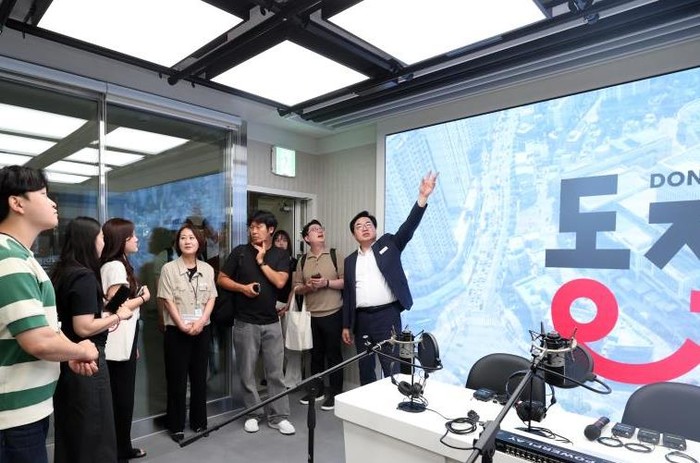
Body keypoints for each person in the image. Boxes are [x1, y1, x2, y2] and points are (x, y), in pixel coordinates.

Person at [0, 165, 98, 463]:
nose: (53, 203)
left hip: (24, 409)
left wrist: (66, 354)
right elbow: (39, 341)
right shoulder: (9, 258)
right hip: (14, 417)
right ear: (17, 203)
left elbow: (41, 331)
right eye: (43, 194)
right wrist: (81, 349)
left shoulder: (20, 256)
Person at [342, 171, 438, 385]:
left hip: (387, 316)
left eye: (368, 224)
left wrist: (422, 198)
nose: (364, 228)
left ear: (375, 230)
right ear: (354, 234)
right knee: (365, 368)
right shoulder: (349, 261)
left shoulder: (389, 244)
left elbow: (408, 227)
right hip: (361, 320)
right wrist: (346, 325)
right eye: (359, 226)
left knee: (392, 366)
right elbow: (348, 294)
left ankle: (394, 401)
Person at [51, 217, 133, 463]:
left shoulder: (62, 271)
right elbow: (84, 327)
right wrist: (117, 316)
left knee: (72, 430)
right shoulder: (84, 276)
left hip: (67, 358)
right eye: (101, 237)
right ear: (89, 240)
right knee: (95, 431)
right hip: (87, 360)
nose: (103, 243)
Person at [217, 210, 295, 435]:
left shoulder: (280, 254)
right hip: (245, 322)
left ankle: (279, 416)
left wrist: (261, 262)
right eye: (251, 227)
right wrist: (242, 288)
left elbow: (280, 282)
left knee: (275, 373)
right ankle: (253, 414)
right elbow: (221, 279)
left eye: (259, 227)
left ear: (270, 230)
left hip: (272, 322)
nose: (253, 231)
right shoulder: (240, 252)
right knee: (247, 372)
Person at [157, 224, 217, 442]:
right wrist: (181, 324)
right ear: (178, 243)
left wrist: (201, 322)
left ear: (199, 242)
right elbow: (167, 300)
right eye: (183, 238)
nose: (187, 241)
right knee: (177, 379)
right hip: (176, 332)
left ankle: (199, 422)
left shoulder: (208, 269)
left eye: (191, 237)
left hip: (202, 330)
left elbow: (211, 298)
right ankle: (176, 426)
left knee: (200, 378)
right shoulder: (169, 269)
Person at [101, 218, 151, 461]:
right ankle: (120, 451)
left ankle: (122, 448)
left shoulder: (120, 263)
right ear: (122, 240)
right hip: (117, 342)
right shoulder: (115, 266)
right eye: (133, 235)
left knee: (122, 399)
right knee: (121, 400)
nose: (137, 239)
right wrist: (143, 298)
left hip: (124, 339)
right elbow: (115, 307)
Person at [292, 220, 344, 410]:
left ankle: (336, 393)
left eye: (320, 228)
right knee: (315, 356)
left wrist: (326, 283)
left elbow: (345, 282)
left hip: (333, 313)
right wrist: (308, 287)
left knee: (334, 355)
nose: (319, 231)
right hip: (311, 315)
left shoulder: (335, 255)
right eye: (314, 230)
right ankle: (317, 390)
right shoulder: (302, 260)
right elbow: (296, 288)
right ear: (307, 238)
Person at [272, 229, 301, 388]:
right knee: (273, 345)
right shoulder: (269, 261)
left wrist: (287, 307)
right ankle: (275, 377)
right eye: (277, 240)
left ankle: (292, 380)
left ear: (288, 243)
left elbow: (294, 287)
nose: (281, 243)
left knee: (291, 344)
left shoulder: (293, 262)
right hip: (271, 306)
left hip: (289, 305)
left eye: (284, 240)